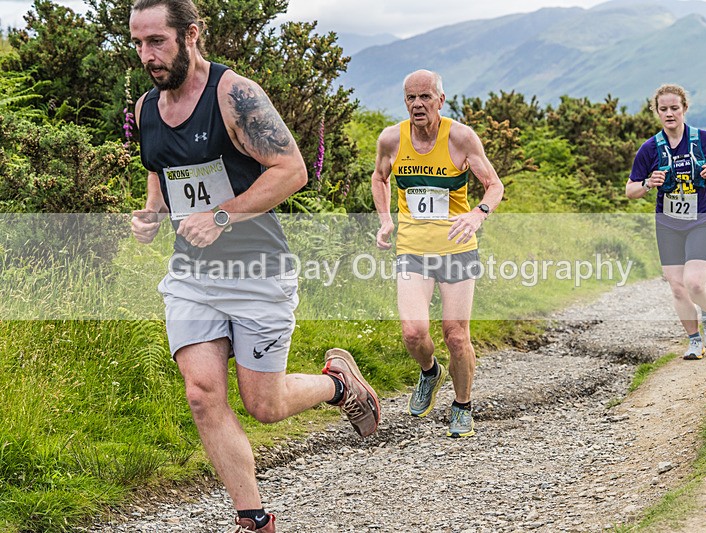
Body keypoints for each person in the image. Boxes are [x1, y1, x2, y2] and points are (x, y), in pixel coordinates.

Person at [128, 1, 380, 531]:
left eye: (157, 42)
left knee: (264, 405)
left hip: (256, 273)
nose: (147, 55)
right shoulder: (147, 106)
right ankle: (254, 518)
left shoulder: (234, 95)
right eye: (138, 43)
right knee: (201, 395)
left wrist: (222, 215)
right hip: (192, 276)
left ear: (191, 35)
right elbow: (161, 168)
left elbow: (291, 171)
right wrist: (153, 212)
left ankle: (338, 383)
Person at [371, 70, 504, 437]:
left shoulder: (460, 138)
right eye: (411, 98)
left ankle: (462, 405)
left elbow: (494, 185)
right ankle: (430, 372)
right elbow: (379, 178)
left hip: (458, 247)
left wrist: (478, 214)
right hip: (412, 249)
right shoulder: (391, 139)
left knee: (456, 335)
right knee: (413, 332)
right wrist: (385, 220)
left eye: (425, 97)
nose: (418, 104)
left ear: (440, 101)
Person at [626, 84, 706, 360]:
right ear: (656, 112)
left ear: (684, 108)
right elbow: (630, 190)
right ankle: (694, 340)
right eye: (663, 109)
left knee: (695, 283)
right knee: (676, 285)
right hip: (668, 223)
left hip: (701, 219)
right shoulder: (649, 149)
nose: (669, 113)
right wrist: (649, 183)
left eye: (675, 108)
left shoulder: (704, 139)